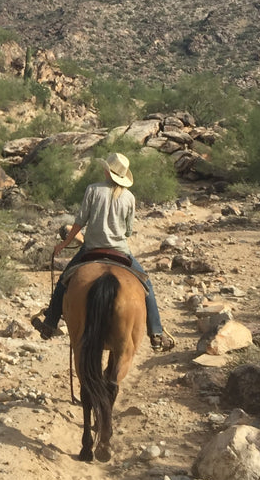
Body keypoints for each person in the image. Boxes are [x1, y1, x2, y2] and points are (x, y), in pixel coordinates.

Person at [30, 151, 175, 352]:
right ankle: (156, 333)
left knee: (64, 281)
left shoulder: (93, 189)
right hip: (120, 251)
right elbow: (128, 231)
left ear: (107, 171)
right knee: (146, 285)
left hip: (91, 248)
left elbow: (80, 221)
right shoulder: (129, 197)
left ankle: (50, 324)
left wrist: (64, 244)